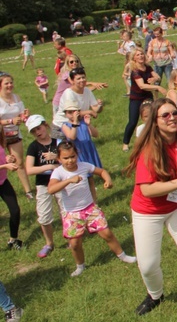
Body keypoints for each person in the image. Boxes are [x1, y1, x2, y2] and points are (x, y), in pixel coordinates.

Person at [125, 98, 177, 317]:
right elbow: (147, 189)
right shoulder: (149, 150)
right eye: (165, 115)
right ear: (155, 121)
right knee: (148, 265)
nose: (172, 118)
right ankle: (155, 295)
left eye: (174, 113)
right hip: (148, 212)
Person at [47, 142, 136, 277]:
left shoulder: (84, 166)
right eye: (66, 158)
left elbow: (101, 171)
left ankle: (122, 255)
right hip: (72, 213)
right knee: (75, 243)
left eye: (73, 156)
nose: (70, 160)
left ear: (77, 154)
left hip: (90, 209)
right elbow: (51, 189)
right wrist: (68, 180)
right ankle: (80, 266)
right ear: (59, 159)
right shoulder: (58, 172)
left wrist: (108, 180)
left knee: (107, 234)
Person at [24, 115, 62, 258]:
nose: (37, 132)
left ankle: (71, 238)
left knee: (65, 211)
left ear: (45, 125)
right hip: (43, 185)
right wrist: (49, 166)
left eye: (38, 128)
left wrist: (56, 158)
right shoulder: (33, 147)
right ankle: (49, 243)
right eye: (33, 131)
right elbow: (29, 169)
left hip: (59, 182)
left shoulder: (58, 143)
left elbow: (70, 161)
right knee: (44, 216)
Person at [122, 48, 164, 152]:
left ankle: (156, 138)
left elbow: (158, 76)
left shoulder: (148, 67)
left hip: (147, 97)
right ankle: (125, 143)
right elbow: (141, 86)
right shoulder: (135, 71)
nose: (141, 56)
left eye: (142, 54)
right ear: (134, 58)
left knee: (153, 118)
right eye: (138, 55)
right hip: (136, 98)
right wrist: (157, 87)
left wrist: (155, 79)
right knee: (132, 122)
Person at [0, 73, 32, 198]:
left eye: (11, 82)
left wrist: (24, 117)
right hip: (0, 135)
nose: (9, 85)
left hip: (14, 134)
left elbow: (21, 115)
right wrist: (10, 121)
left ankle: (28, 191)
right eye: (6, 83)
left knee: (19, 163)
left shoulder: (16, 98)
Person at [61, 100, 102, 168]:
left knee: (94, 168)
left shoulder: (83, 122)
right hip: (78, 150)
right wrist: (75, 122)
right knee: (83, 171)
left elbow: (96, 134)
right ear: (66, 114)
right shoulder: (65, 125)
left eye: (74, 111)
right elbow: (72, 137)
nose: (72, 114)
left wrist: (89, 125)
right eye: (69, 112)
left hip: (89, 147)